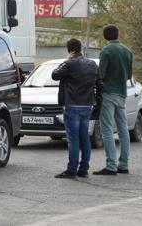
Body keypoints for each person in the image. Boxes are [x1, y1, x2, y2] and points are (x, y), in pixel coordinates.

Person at [52, 39, 102, 179]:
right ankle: (84, 168)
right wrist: (97, 101)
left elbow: (55, 75)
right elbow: (99, 83)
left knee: (73, 139)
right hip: (87, 105)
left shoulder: (69, 63)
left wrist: (66, 61)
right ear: (80, 48)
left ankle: (71, 170)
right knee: (84, 137)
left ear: (70, 50)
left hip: (72, 105)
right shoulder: (92, 64)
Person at [94, 25, 133, 176]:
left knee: (107, 130)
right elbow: (129, 75)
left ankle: (111, 165)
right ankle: (124, 164)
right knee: (123, 130)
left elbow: (101, 74)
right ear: (118, 34)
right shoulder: (127, 51)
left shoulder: (106, 51)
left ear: (105, 36)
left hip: (108, 93)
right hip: (122, 93)